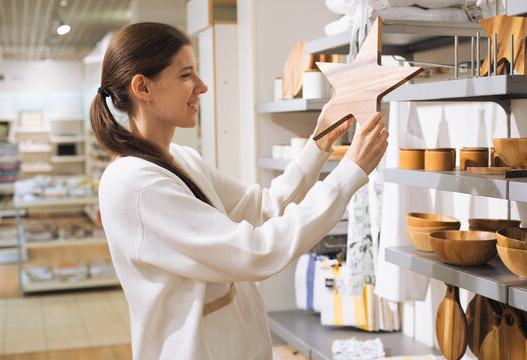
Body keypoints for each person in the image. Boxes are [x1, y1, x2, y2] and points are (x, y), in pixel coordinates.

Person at [90, 22, 388, 360]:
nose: (201, 86)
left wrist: (319, 144)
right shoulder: (135, 184)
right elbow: (255, 251)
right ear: (143, 88)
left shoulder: (181, 159)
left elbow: (261, 207)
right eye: (186, 75)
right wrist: (349, 174)